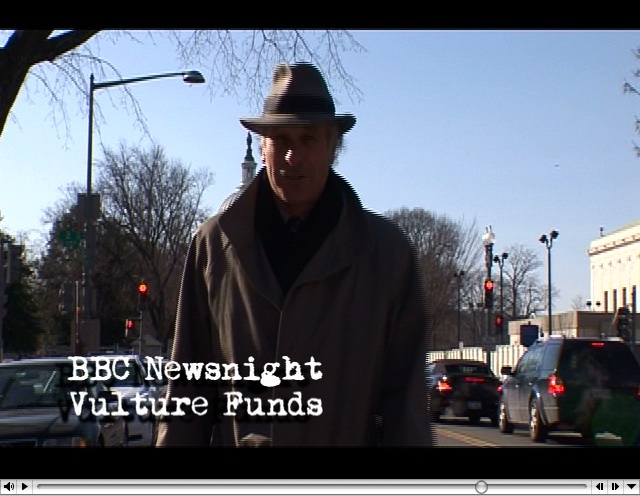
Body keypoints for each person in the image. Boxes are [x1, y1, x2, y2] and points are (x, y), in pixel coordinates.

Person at [155, 62, 433, 447]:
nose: (292, 157)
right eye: (281, 140)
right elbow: (187, 393)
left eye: (308, 139)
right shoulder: (214, 246)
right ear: (263, 148)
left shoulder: (386, 255)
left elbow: (405, 406)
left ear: (333, 147)